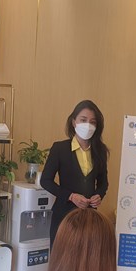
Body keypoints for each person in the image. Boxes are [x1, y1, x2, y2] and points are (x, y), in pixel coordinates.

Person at [40, 100, 109, 246]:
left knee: (85, 255)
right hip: (64, 215)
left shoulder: (100, 151)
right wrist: (71, 196)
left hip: (89, 216)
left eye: (93, 122)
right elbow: (45, 181)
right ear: (73, 122)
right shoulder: (60, 148)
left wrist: (99, 195)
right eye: (83, 120)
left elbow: (103, 183)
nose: (88, 125)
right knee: (61, 256)